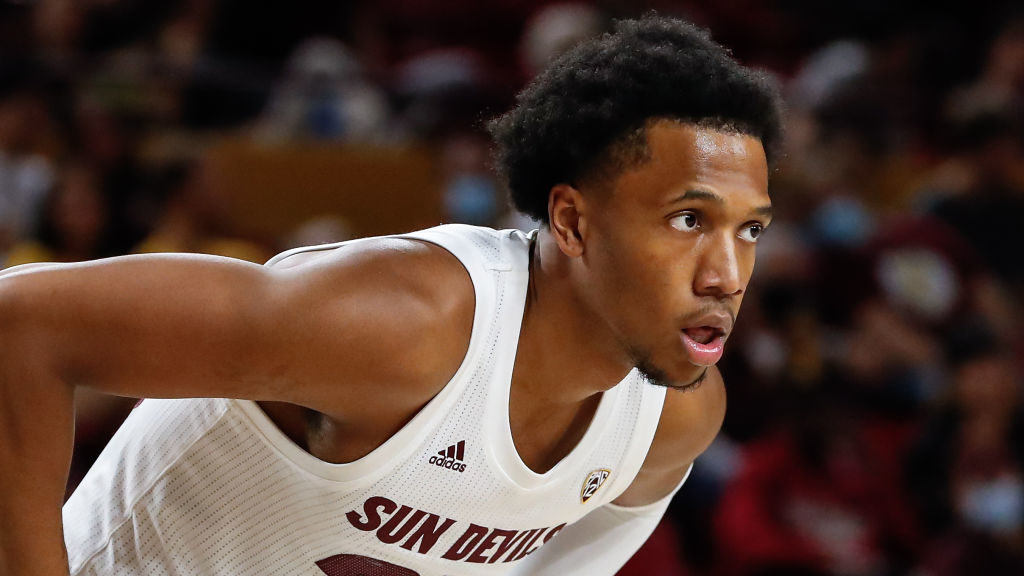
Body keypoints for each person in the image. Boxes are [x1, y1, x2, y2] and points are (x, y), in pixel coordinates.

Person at [0, 14, 782, 575]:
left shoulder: (673, 422)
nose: (727, 274)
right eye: (689, 220)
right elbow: (23, 323)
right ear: (573, 222)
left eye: (750, 229)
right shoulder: (403, 326)